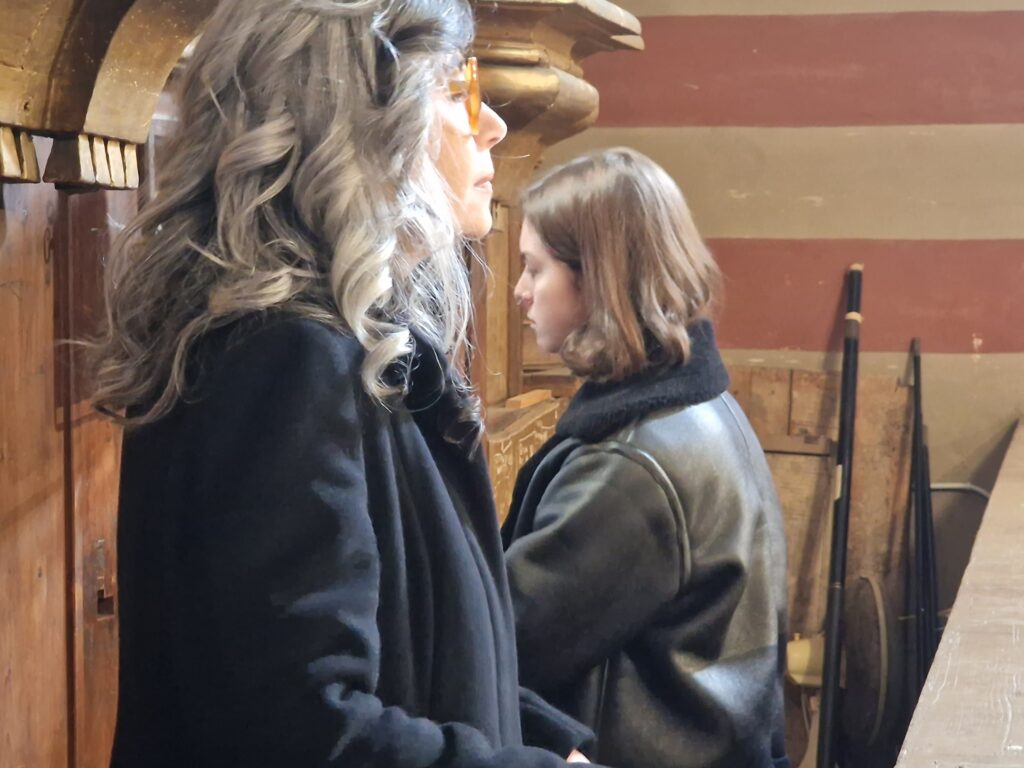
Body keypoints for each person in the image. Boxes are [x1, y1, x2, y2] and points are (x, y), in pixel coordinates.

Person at [93, 1, 594, 765]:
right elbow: (298, 727)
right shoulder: (281, 357)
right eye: (457, 88)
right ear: (364, 119)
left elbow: (430, 648)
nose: (492, 124)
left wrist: (550, 744)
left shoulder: (341, 343)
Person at [504, 147, 791, 768]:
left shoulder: (631, 467)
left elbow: (501, 646)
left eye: (534, 269)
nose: (519, 292)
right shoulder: (694, 405)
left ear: (596, 280)